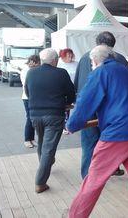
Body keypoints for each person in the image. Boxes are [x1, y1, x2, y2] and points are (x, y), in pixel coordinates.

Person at [66, 45, 128, 218]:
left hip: (117, 134)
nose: (92, 65)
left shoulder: (100, 73)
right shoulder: (126, 71)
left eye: (92, 62)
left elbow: (85, 102)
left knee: (94, 180)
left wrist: (71, 125)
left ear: (95, 60)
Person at [74, 31, 128, 179]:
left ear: (97, 42)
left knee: (89, 144)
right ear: (113, 44)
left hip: (88, 110)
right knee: (112, 142)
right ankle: (113, 168)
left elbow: (78, 84)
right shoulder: (120, 59)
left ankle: (87, 176)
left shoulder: (85, 57)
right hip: (112, 111)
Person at [25, 48, 75, 193]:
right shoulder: (61, 73)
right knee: (48, 148)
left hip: (35, 115)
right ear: (55, 60)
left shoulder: (31, 72)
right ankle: (40, 182)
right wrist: (68, 102)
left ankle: (44, 165)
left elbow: (27, 92)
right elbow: (71, 93)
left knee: (42, 141)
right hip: (54, 115)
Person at [20, 55, 40, 148]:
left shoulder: (34, 70)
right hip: (27, 98)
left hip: (35, 97)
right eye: (37, 63)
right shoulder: (25, 70)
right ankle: (27, 139)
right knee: (29, 118)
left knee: (33, 118)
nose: (38, 65)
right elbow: (27, 84)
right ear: (32, 62)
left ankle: (32, 139)